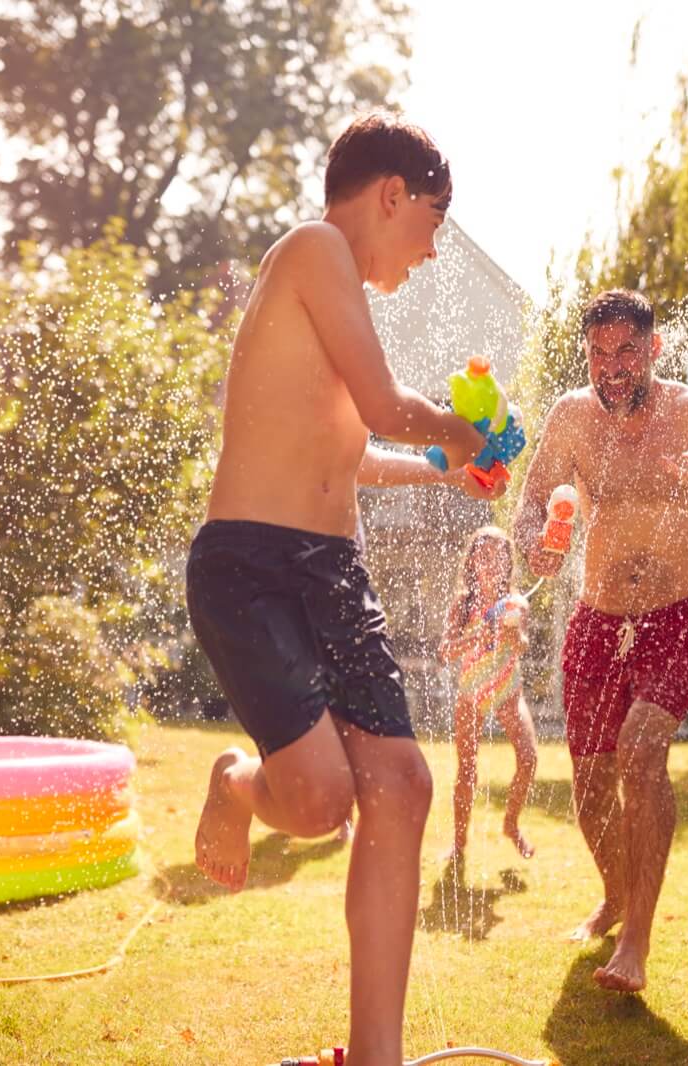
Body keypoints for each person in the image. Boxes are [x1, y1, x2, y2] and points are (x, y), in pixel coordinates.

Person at [185, 110, 499, 1066]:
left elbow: (352, 452)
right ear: (390, 196)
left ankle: (376, 1057)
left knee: (401, 787)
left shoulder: (337, 302)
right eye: (433, 221)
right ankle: (237, 784)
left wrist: (443, 466)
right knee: (319, 802)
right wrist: (460, 431)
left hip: (331, 571)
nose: (434, 250)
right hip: (251, 566)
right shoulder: (316, 249)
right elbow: (387, 407)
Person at [511, 288, 688, 994]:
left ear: (654, 348)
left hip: (680, 614)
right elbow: (530, 500)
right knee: (592, 783)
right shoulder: (571, 418)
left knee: (640, 751)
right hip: (598, 618)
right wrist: (536, 541)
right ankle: (615, 894)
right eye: (599, 354)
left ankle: (635, 942)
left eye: (627, 350)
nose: (613, 367)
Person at [436, 526, 539, 865]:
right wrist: (479, 634)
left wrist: (512, 636)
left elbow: (521, 642)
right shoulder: (462, 606)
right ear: (473, 561)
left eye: (499, 554)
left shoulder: (516, 603)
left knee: (528, 759)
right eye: (484, 554)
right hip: (471, 694)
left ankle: (510, 824)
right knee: (466, 771)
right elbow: (445, 651)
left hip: (508, 692)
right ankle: (459, 843)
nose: (491, 560)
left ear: (508, 562)